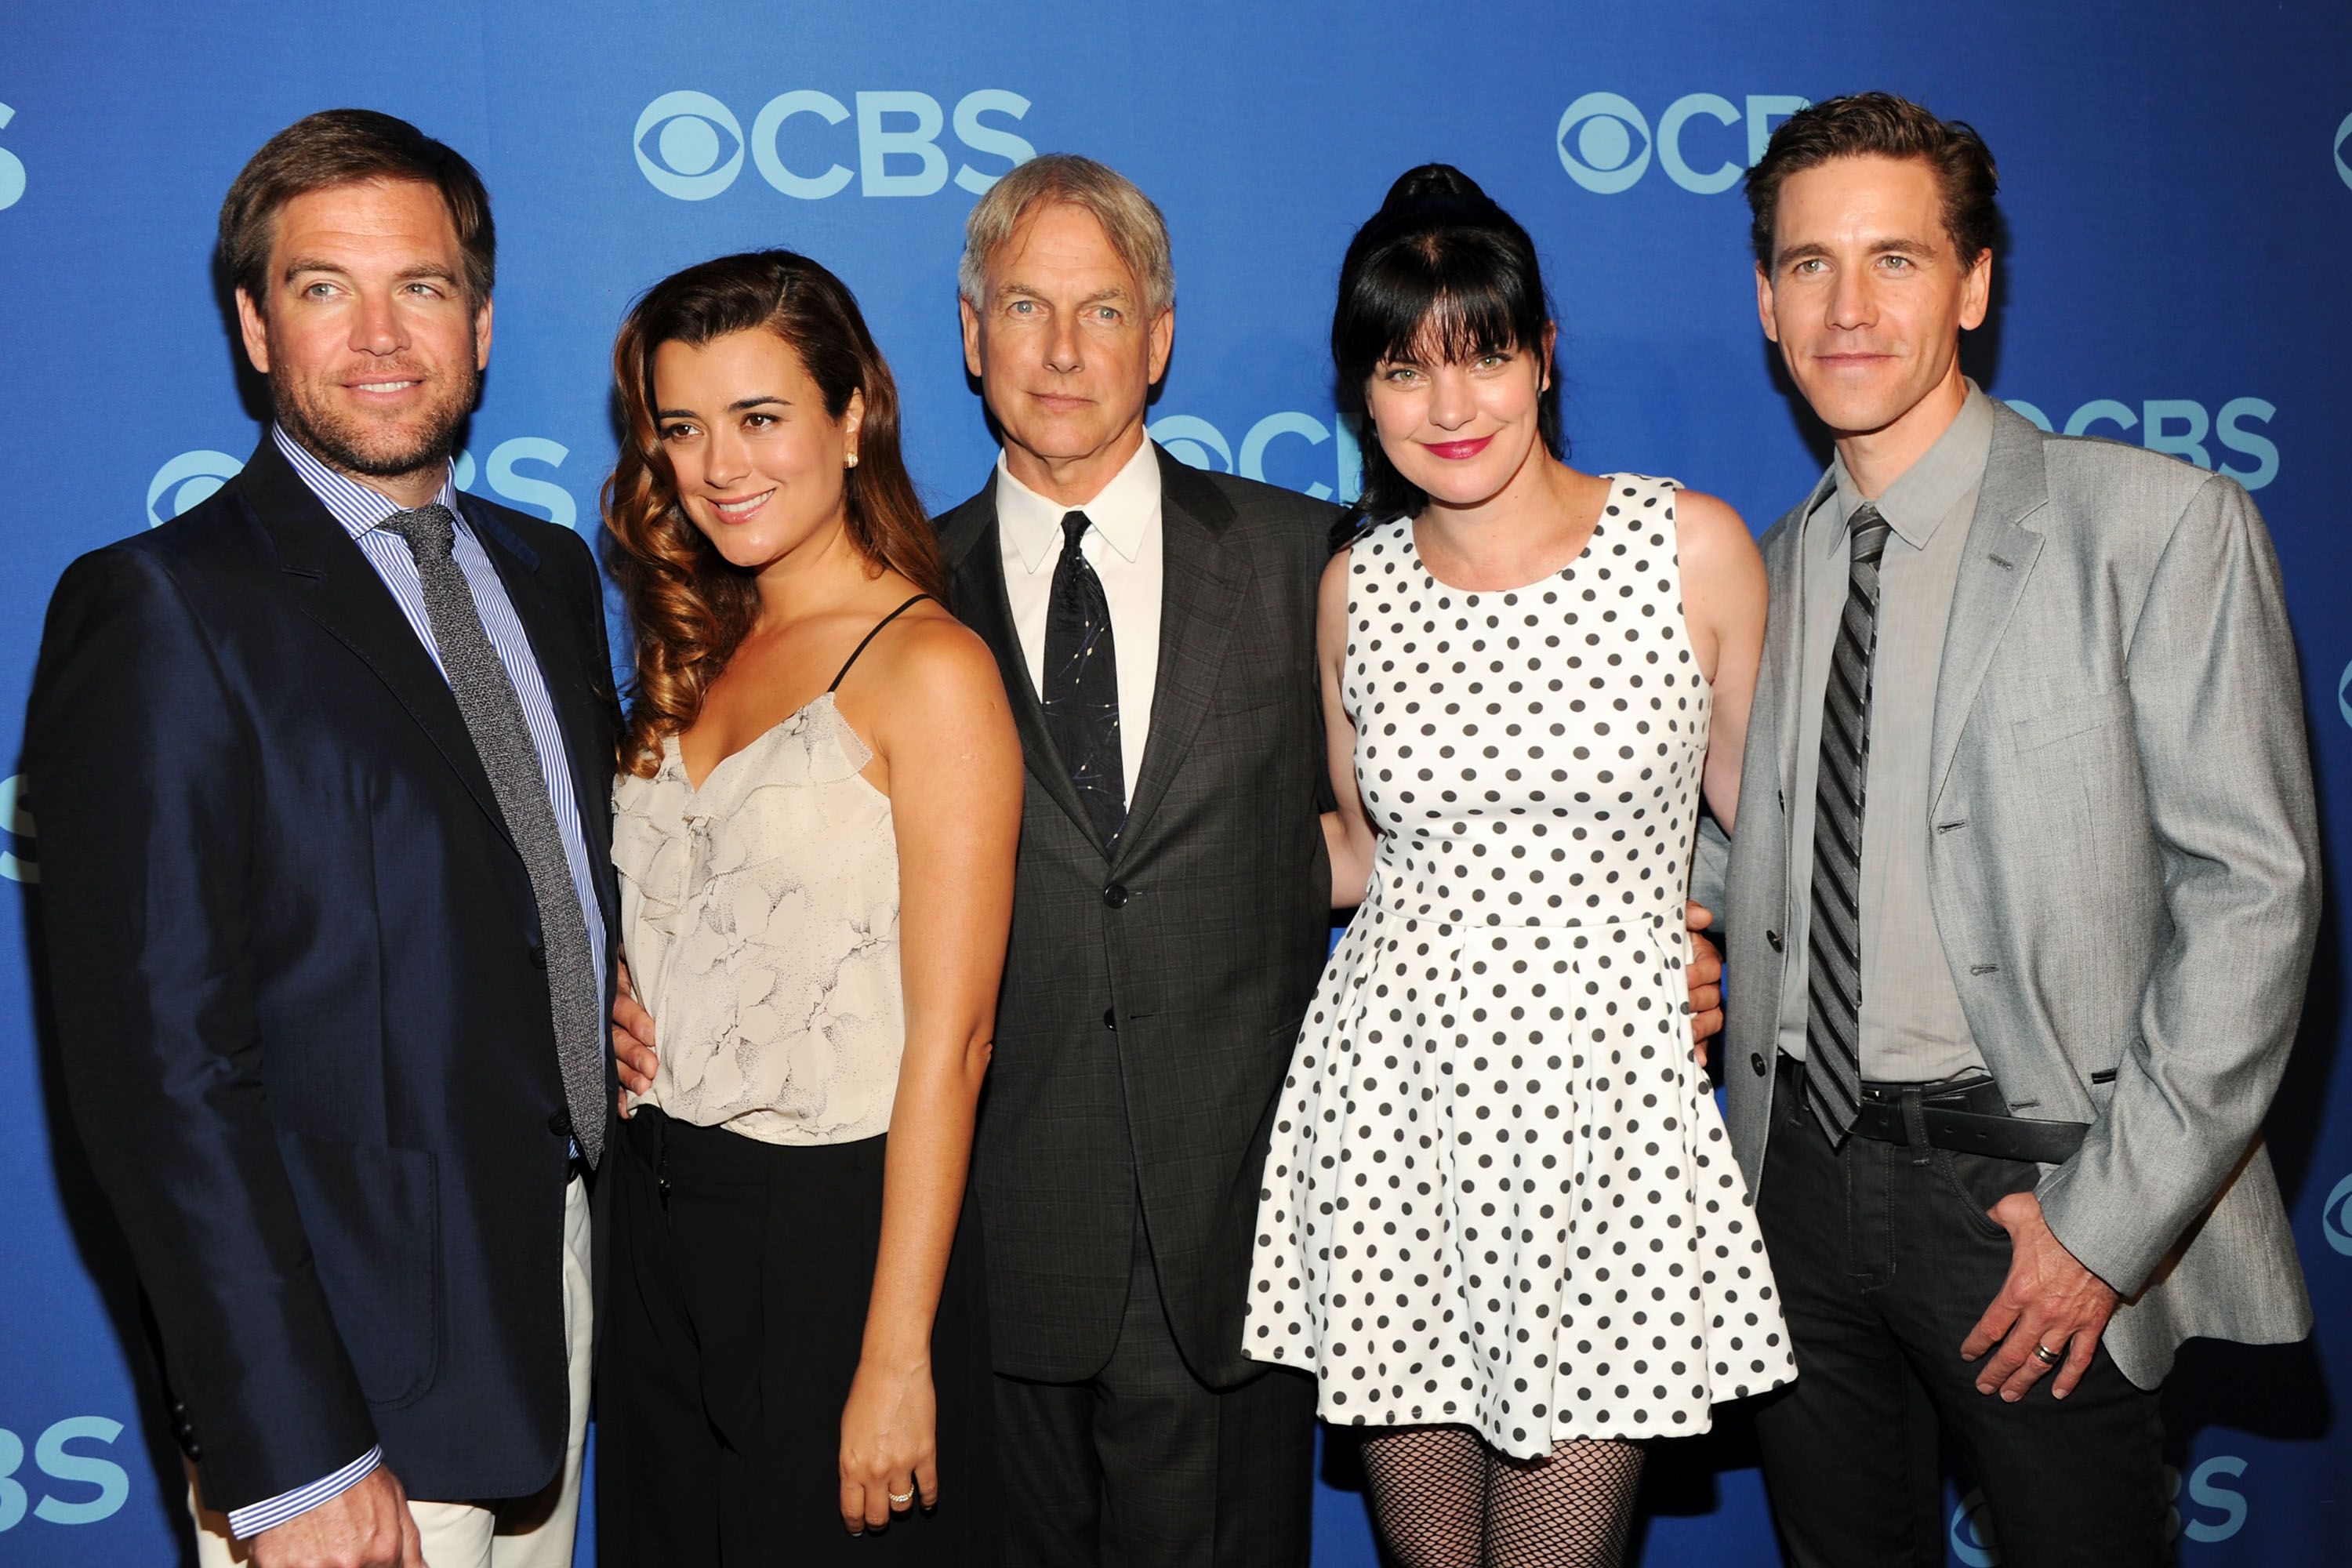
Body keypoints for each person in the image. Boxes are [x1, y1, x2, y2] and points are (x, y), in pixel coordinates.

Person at [1693, 92, 2318, 1567]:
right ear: (1764, 298)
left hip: (2038, 1192)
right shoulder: (1760, 576)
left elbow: (2255, 902)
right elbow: (1739, 858)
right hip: (1794, 1190)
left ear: (1973, 284)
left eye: (1896, 261)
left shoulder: (2156, 529)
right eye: (1807, 265)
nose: (1848, 308)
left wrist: (2105, 1228)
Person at [27, 110, 614, 1568]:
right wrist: (291, 1450)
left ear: (479, 322)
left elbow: (518, 897)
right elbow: (159, 1072)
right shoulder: (161, 608)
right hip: (342, 1370)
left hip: (560, 1293)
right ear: (252, 327)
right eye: (320, 288)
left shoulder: (545, 573)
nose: (380, 336)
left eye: (419, 286)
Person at [1243, 165, 1791, 1568]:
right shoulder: (1353, 584)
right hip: (1393, 1113)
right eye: (1402, 367)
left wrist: (1712, 938)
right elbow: (1357, 854)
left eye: (1483, 352)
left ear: (1544, 356)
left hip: (1603, 1117)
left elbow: (1772, 839)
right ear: (1361, 394)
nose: (1449, 404)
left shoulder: (1691, 547)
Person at [593, 249, 1020, 1566]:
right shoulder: (693, 643)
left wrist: (896, 1356)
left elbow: (953, 1047)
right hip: (654, 1220)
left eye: (760, 417)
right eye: (682, 427)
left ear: (851, 420)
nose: (719, 465)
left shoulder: (929, 668)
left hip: (836, 1237)